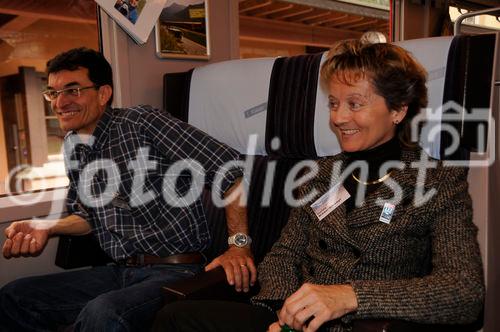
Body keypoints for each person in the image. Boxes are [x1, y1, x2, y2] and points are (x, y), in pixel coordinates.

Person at [152, 39, 485, 332]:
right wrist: (281, 313)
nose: (338, 118)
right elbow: (284, 255)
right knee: (176, 317)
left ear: (398, 109)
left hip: (368, 325)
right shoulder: (320, 175)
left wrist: (351, 297)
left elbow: (464, 292)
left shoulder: (438, 180)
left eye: (355, 104)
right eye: (334, 104)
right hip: (296, 322)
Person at [0, 47, 256, 332]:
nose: (60, 103)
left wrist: (239, 246)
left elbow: (230, 169)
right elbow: (87, 218)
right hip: (120, 270)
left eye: (72, 90)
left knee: (103, 313)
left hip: (175, 270)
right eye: (53, 93)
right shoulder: (73, 147)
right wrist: (46, 227)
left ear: (103, 93)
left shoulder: (141, 123)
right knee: (14, 297)